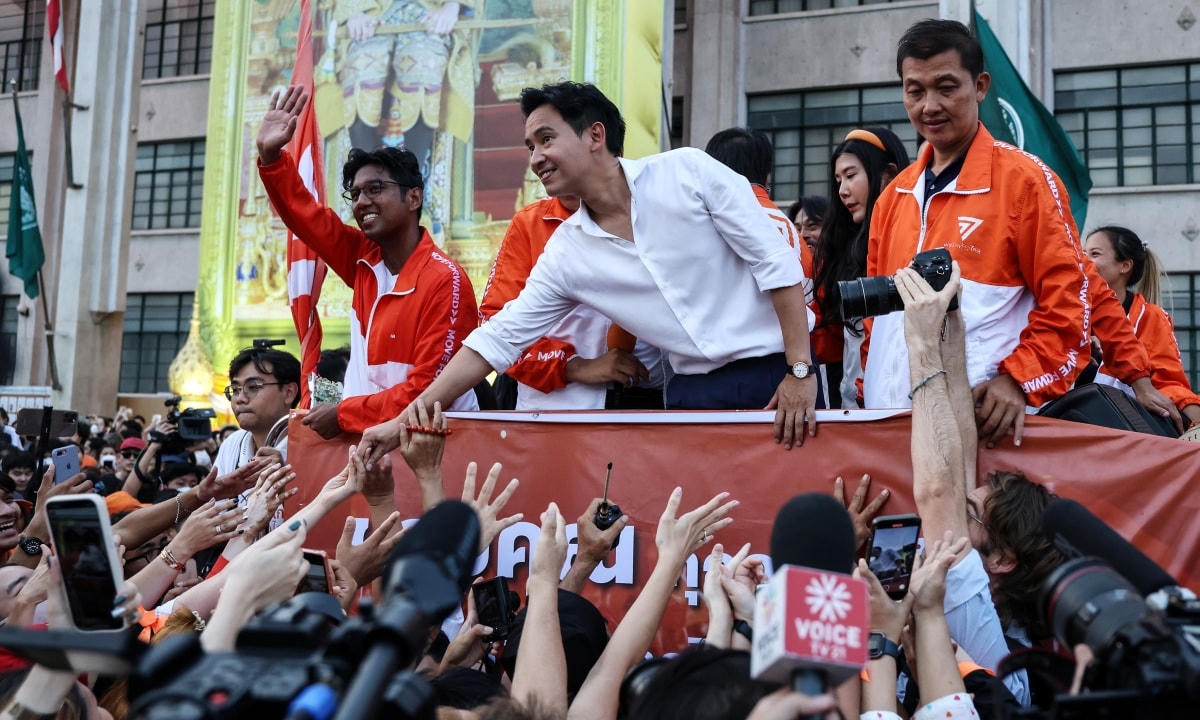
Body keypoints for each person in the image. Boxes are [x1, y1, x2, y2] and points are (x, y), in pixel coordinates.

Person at [360, 81, 818, 461]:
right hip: (689, 398)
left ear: (595, 136)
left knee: (790, 535)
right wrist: (402, 420)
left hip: (775, 378)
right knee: (705, 549)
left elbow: (773, 263)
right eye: (529, 147)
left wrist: (799, 371)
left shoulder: (688, 173)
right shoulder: (567, 251)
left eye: (545, 139)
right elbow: (498, 338)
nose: (535, 158)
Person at [865, 19, 1092, 447]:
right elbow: (879, 326)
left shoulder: (1027, 182)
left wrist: (1018, 380)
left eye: (946, 87)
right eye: (915, 91)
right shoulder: (893, 197)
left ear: (981, 86)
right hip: (891, 430)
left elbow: (1070, 307)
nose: (929, 105)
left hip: (986, 432)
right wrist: (868, 395)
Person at [257, 85, 480, 438]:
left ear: (413, 197)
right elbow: (305, 215)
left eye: (375, 189)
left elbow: (429, 395)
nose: (360, 202)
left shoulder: (445, 281)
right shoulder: (363, 259)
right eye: (355, 193)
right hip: (371, 446)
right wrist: (271, 157)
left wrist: (344, 414)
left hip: (435, 448)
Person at [898, 259, 1069, 707]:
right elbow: (958, 468)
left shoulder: (970, 611)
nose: (960, 497)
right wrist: (952, 321)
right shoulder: (991, 614)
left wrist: (920, 345)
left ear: (1004, 560)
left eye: (969, 513)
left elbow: (938, 492)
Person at [480, 194, 663, 410]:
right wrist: (573, 366)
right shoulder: (532, 223)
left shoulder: (653, 215)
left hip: (649, 401)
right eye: (533, 156)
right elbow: (494, 324)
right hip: (554, 412)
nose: (538, 160)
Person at [813, 127, 909, 409]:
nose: (842, 191)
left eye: (851, 176)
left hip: (903, 400)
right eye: (838, 180)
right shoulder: (842, 247)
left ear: (888, 174)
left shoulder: (912, 237)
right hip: (856, 402)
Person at [1085, 225, 1200, 427]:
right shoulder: (1069, 312)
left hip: (1126, 428)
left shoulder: (1151, 317)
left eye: (1094, 253)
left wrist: (1191, 417)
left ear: (1125, 266)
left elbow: (1169, 382)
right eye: (1083, 253)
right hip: (1069, 424)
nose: (1083, 261)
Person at [214, 346, 301, 478]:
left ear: (289, 393)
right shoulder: (232, 444)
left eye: (253, 387)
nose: (240, 399)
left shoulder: (311, 448)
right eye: (235, 390)